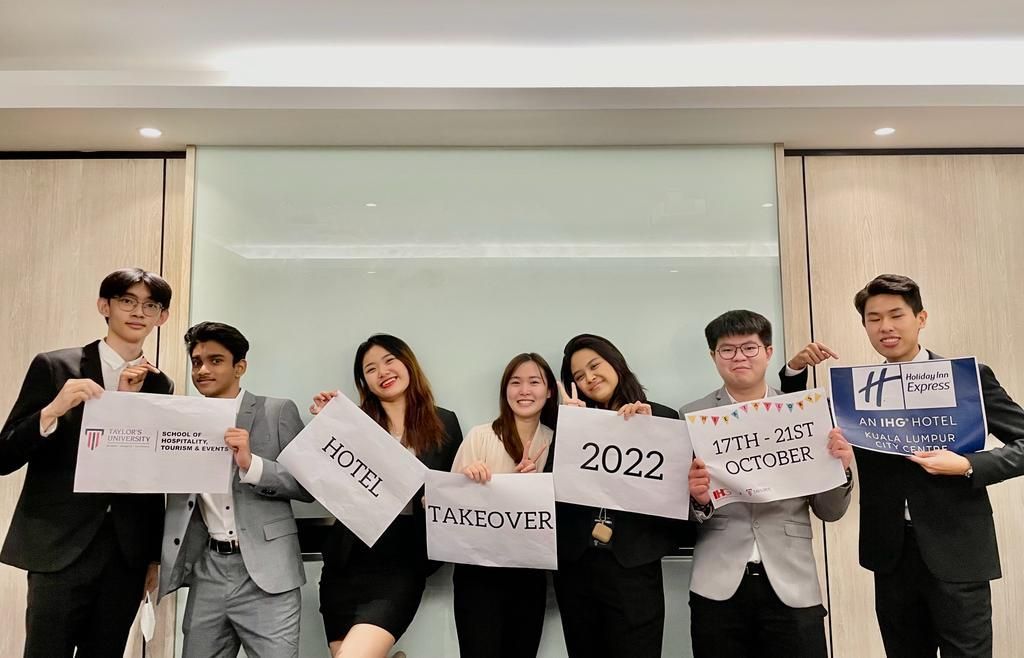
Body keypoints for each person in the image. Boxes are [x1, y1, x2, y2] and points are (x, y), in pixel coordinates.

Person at [791, 274, 1024, 657]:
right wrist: (795, 373)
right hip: (891, 553)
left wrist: (967, 464)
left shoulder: (964, 377)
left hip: (958, 549)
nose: (885, 327)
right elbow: (799, 426)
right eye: (873, 318)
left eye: (896, 315)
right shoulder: (858, 390)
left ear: (921, 318)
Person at [0, 267, 174, 657]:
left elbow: (151, 476)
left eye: (151, 305)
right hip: (59, 544)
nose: (138, 312)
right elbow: (4, 454)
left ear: (162, 317)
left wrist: (152, 555)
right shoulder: (56, 366)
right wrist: (52, 411)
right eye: (127, 301)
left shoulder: (160, 384)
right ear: (104, 306)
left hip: (124, 554)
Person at [683, 310, 853, 658]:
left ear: (768, 352)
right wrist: (698, 500)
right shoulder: (691, 417)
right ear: (713, 356)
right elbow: (678, 512)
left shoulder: (804, 412)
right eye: (727, 350)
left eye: (749, 347)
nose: (739, 357)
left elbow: (831, 511)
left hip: (793, 581)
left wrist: (842, 469)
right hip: (716, 584)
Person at [159, 321, 313, 657]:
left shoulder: (276, 411)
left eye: (215, 360)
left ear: (239, 367)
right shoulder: (181, 420)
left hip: (269, 573)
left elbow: (307, 485)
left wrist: (252, 465)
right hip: (208, 568)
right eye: (196, 361)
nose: (202, 370)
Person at [311, 334, 462, 658]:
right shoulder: (356, 423)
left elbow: (451, 493)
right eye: (371, 369)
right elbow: (329, 486)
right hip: (346, 562)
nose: (383, 372)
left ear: (407, 363)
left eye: (389, 361)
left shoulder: (443, 422)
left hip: (400, 562)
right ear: (364, 382)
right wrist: (327, 427)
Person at [548, 333, 692, 658]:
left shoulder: (661, 417)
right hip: (577, 566)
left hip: (634, 567)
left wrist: (647, 433)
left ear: (615, 362)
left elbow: (678, 496)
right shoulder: (571, 421)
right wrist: (573, 427)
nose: (589, 378)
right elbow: (558, 491)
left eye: (594, 366)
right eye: (579, 376)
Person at [450, 352, 558, 658]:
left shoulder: (558, 440)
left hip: (529, 572)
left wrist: (536, 486)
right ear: (505, 390)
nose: (524, 390)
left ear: (549, 390)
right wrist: (465, 480)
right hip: (478, 572)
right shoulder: (481, 437)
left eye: (534, 382)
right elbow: (435, 501)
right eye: (516, 382)